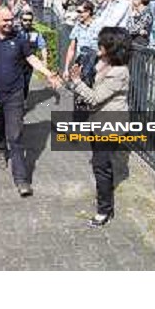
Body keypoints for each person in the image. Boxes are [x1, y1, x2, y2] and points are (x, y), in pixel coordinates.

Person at [0, 6, 62, 197]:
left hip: (14, 94)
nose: (9, 23)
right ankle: (0, 150)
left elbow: (31, 57)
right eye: (5, 20)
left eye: (11, 20)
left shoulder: (19, 38)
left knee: (16, 136)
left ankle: (21, 179)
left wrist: (47, 73)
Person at [66, 27, 131, 228]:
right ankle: (105, 199)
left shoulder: (119, 72)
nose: (98, 45)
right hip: (98, 122)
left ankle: (104, 210)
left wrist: (76, 82)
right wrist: (77, 76)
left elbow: (94, 98)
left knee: (101, 166)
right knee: (100, 163)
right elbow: (87, 82)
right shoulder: (103, 62)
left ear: (111, 47)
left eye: (102, 42)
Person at [19, 11, 48, 100]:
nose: (27, 22)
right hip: (16, 63)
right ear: (21, 20)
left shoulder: (36, 33)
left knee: (26, 83)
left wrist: (45, 61)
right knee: (16, 83)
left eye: (29, 20)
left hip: (29, 64)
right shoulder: (15, 32)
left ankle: (24, 100)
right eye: (25, 20)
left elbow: (42, 46)